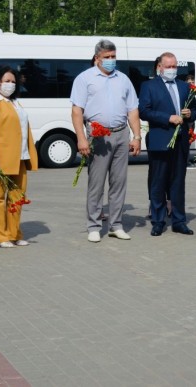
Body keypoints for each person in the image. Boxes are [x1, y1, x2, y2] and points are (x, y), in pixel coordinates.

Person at [71, 39, 141, 243]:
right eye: (107, 57)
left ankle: (116, 225)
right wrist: (81, 138)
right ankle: (93, 225)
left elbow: (132, 110)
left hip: (121, 133)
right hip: (98, 136)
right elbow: (77, 111)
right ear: (97, 58)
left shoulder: (123, 79)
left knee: (119, 182)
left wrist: (136, 136)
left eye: (113, 57)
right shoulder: (85, 79)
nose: (111, 61)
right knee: (97, 182)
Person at [138, 53, 196, 237]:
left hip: (180, 141)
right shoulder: (149, 86)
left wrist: (190, 114)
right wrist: (167, 118)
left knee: (178, 181)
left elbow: (195, 110)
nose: (172, 69)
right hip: (160, 140)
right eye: (169, 66)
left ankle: (179, 220)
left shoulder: (184, 87)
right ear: (160, 67)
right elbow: (144, 111)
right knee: (159, 181)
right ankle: (158, 220)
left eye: (175, 66)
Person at [0, 66, 38, 247]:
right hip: (1, 158)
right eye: (6, 81)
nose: (10, 85)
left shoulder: (16, 103)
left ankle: (14, 233)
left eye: (13, 81)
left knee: (17, 196)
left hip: (20, 156)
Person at [185, 74, 196, 169]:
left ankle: (186, 159)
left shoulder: (192, 94)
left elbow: (195, 110)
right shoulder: (184, 92)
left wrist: (191, 114)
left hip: (189, 121)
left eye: (193, 82)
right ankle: (184, 161)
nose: (191, 84)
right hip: (182, 121)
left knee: (188, 141)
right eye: (189, 82)